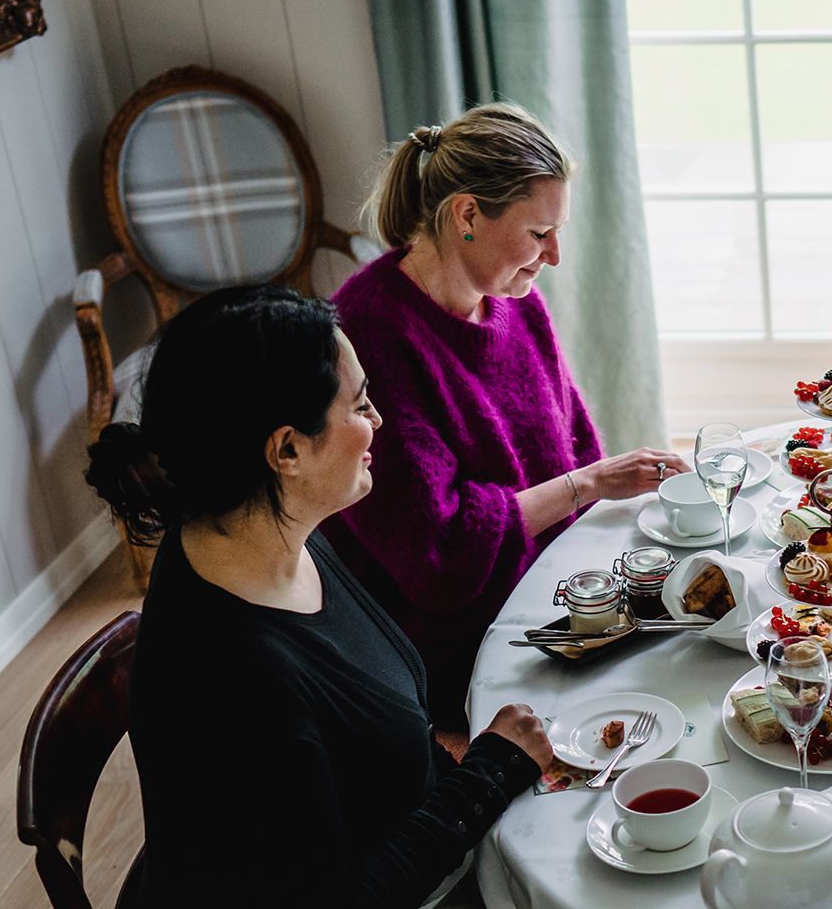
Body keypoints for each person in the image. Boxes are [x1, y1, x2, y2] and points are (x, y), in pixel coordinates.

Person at [85, 285, 552, 908]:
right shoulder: (237, 675)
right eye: (359, 405)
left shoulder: (264, 531)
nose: (377, 420)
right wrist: (489, 772)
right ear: (287, 450)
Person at [324, 103, 687, 730]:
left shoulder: (516, 303)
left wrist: (605, 523)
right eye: (539, 233)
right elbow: (438, 557)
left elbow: (575, 448)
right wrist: (589, 484)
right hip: (460, 643)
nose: (555, 256)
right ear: (467, 215)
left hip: (556, 592)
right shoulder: (372, 333)